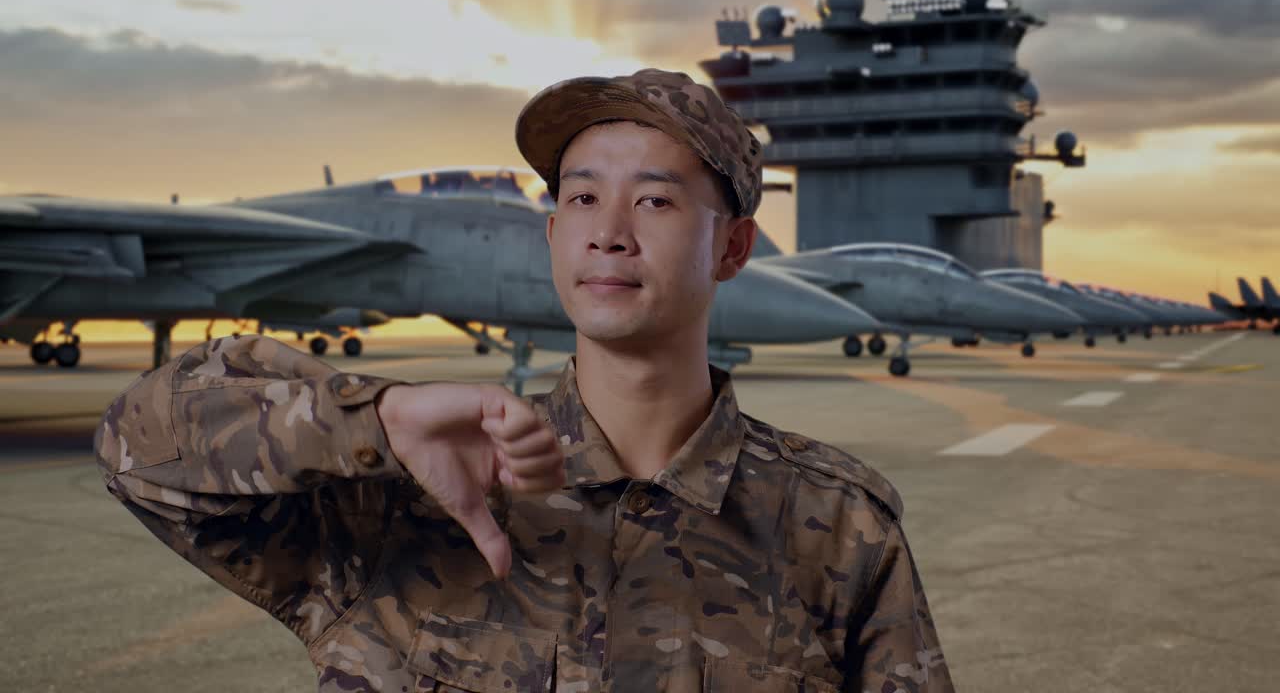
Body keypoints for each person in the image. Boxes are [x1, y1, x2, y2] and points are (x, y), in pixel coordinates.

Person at [96, 68, 954, 692]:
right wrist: (375, 422)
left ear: (733, 247)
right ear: (550, 238)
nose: (608, 233)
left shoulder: (838, 527)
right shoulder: (412, 494)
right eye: (581, 199)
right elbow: (135, 443)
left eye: (655, 201)